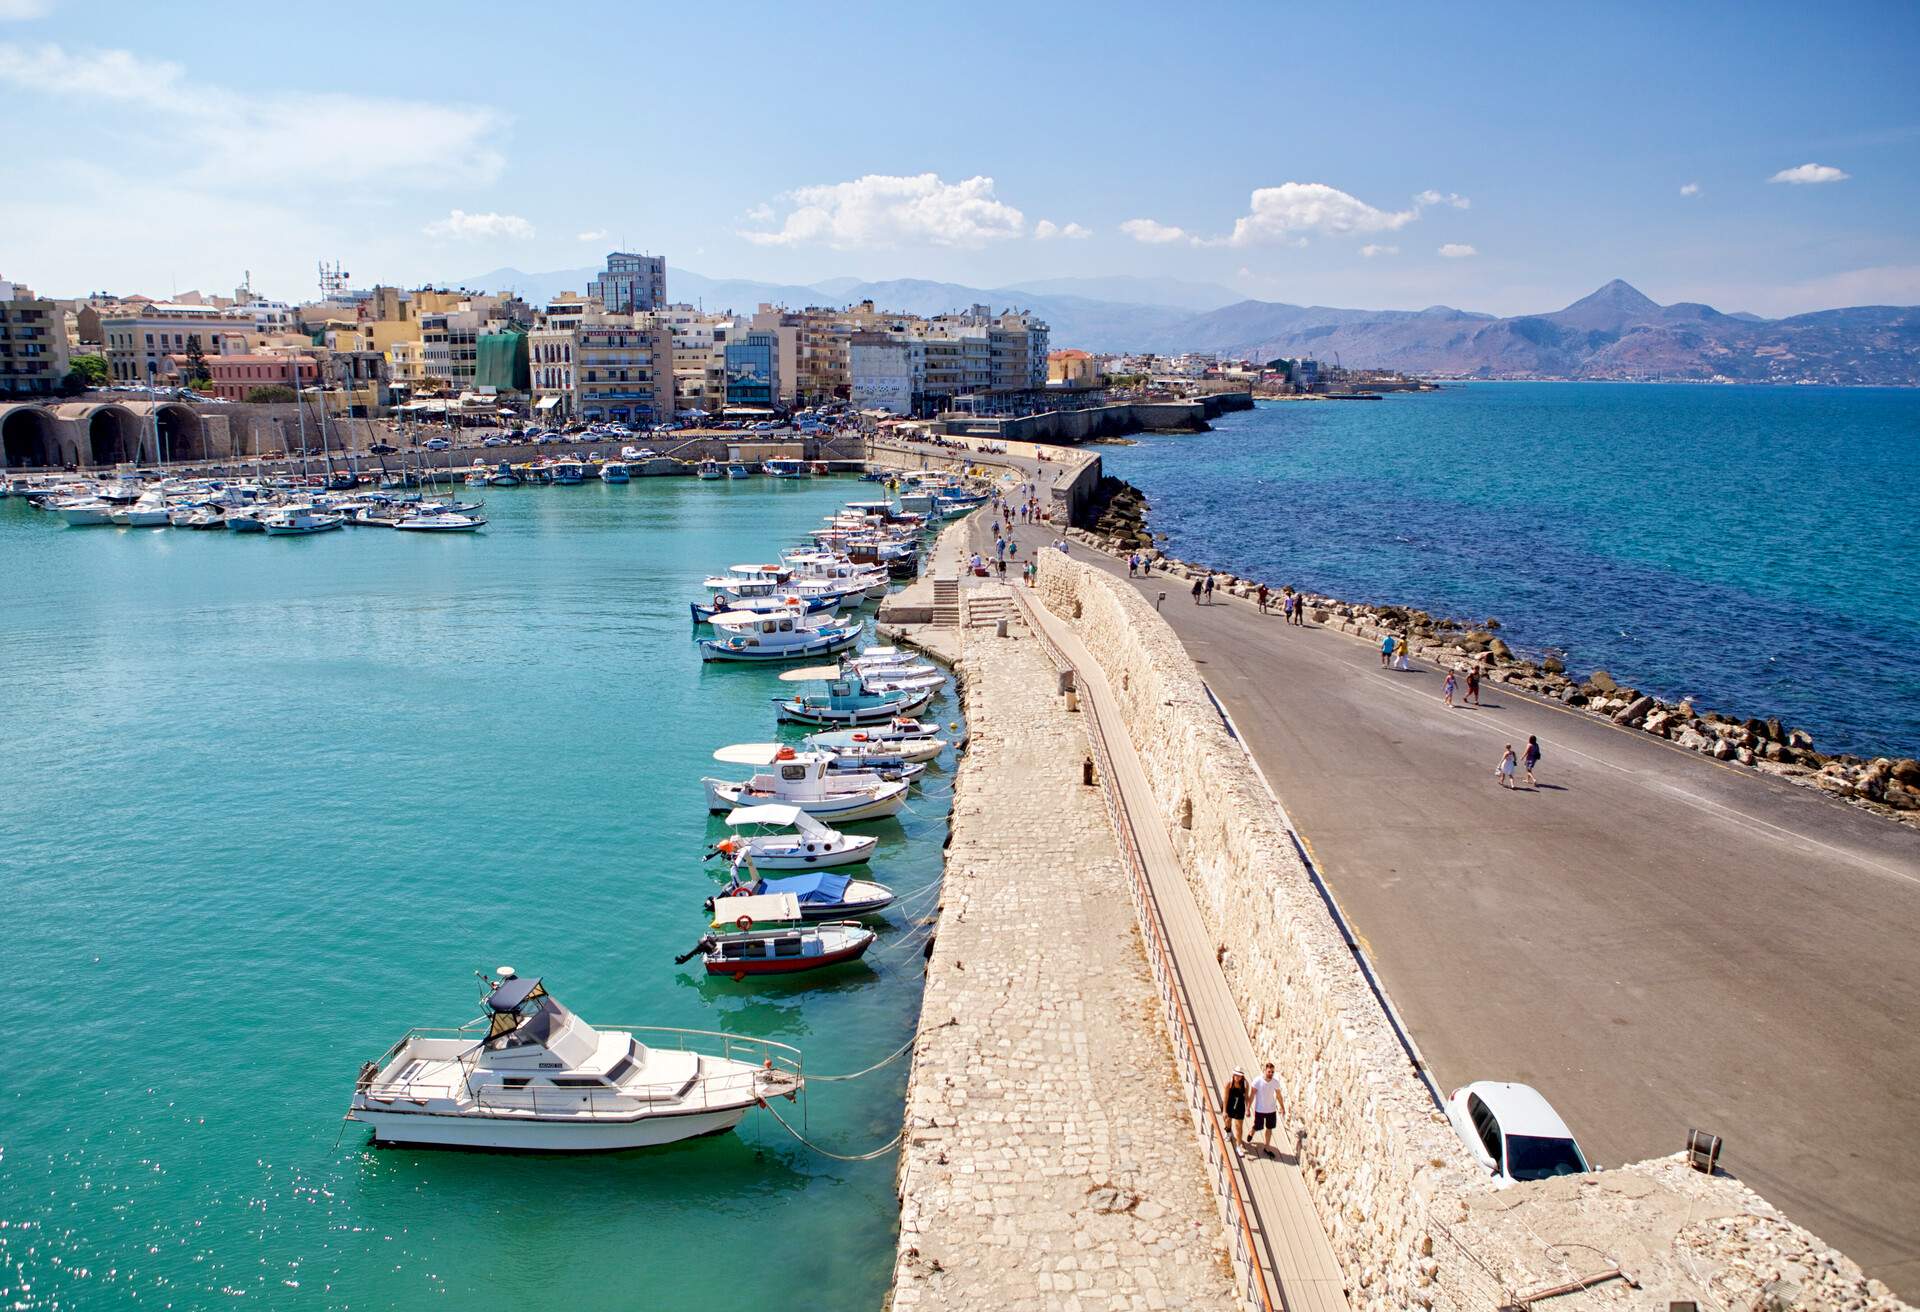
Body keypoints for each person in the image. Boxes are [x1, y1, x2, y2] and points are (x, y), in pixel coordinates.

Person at [1248, 1062, 1283, 1155]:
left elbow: (1279, 1095)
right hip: (1260, 1109)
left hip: (1271, 1110)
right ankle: (1251, 1132)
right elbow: (1252, 1095)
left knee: (1269, 1128)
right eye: (1269, 1072)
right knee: (1258, 1126)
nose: (1271, 1074)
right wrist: (1248, 1108)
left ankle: (1266, 1147)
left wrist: (1282, 1107)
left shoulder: (1275, 1082)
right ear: (1264, 1071)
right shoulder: (1257, 1081)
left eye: (1272, 1072)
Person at [1222, 1069, 1250, 1151]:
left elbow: (1246, 1097)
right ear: (1233, 1075)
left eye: (1239, 1076)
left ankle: (1238, 1145)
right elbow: (1225, 1097)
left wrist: (1248, 1108)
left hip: (1239, 1106)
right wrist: (1224, 1111)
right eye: (1236, 1075)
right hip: (1229, 1104)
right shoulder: (1229, 1083)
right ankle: (1228, 1131)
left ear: (1242, 1076)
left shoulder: (1245, 1084)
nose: (1237, 1077)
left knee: (1239, 1127)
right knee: (1227, 1121)